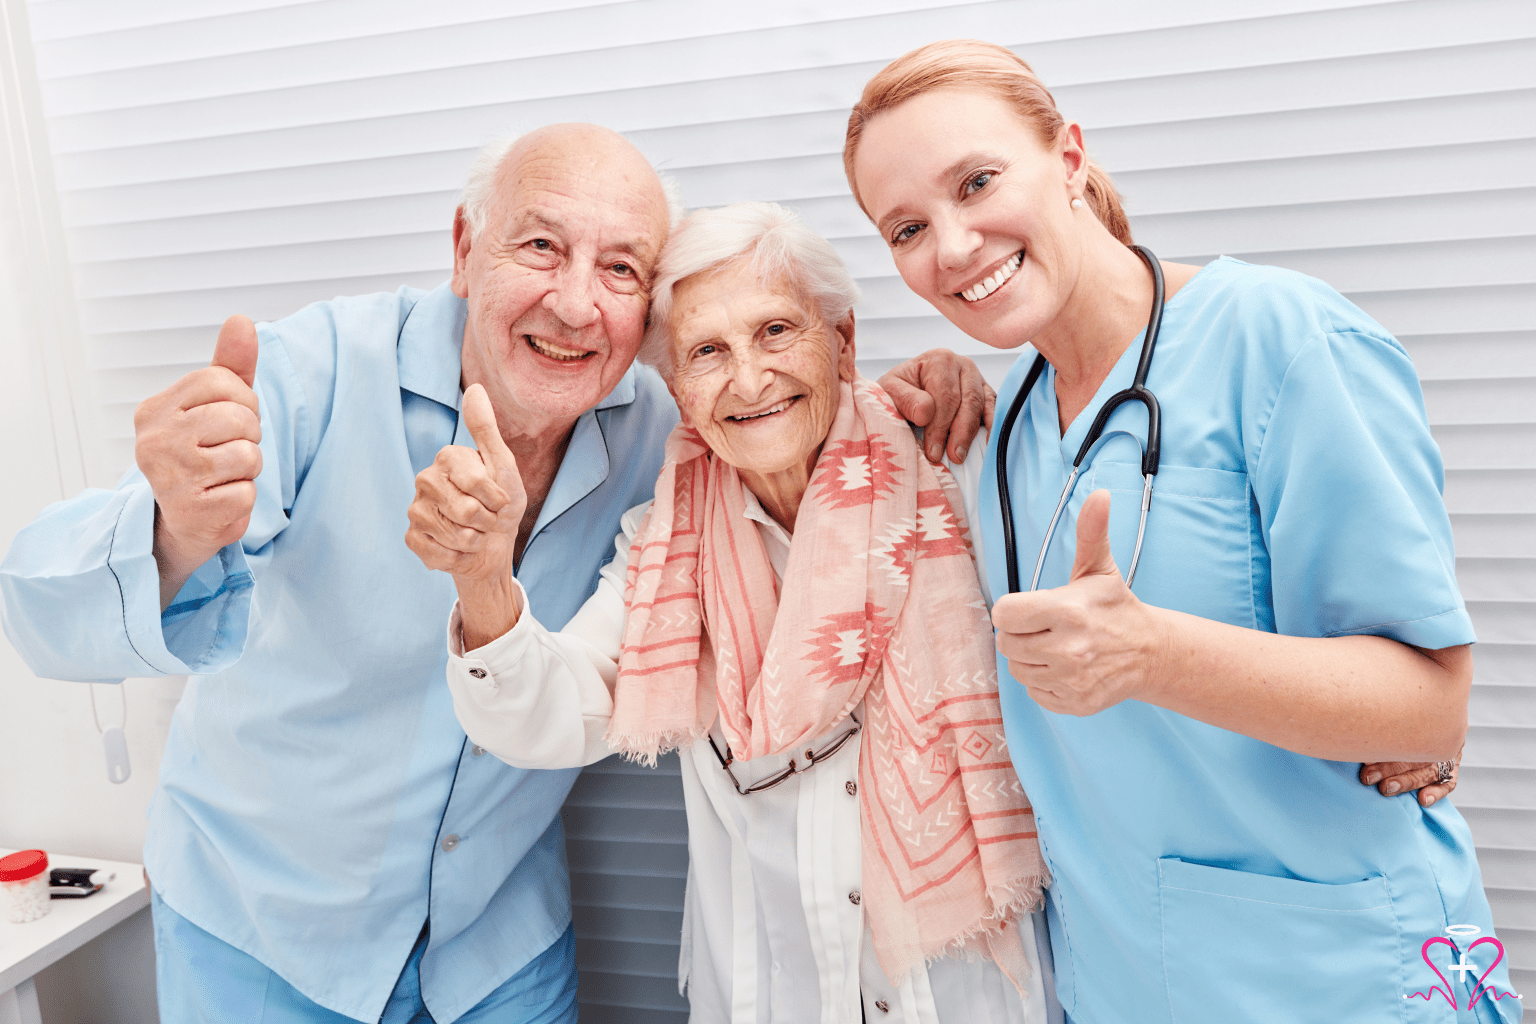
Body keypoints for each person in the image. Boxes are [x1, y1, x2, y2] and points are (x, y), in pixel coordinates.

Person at [842, 40, 1518, 1024]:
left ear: (1069, 157)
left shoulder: (1282, 341)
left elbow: (1427, 712)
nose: (949, 247)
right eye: (906, 227)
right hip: (1122, 981)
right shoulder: (1003, 429)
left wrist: (1149, 652)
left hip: (1348, 978)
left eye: (977, 181)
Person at [409, 201, 1056, 1023]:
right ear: (676, 389)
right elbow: (547, 715)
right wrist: (483, 578)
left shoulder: (962, 475)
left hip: (968, 994)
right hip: (769, 994)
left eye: (778, 332)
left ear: (844, 341)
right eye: (708, 352)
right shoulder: (666, 540)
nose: (748, 381)